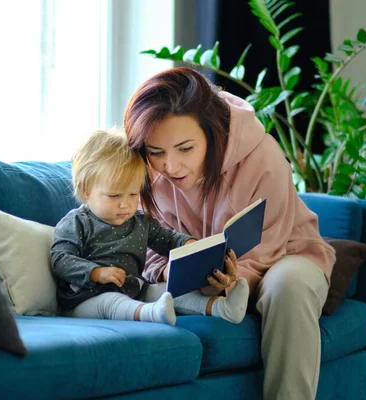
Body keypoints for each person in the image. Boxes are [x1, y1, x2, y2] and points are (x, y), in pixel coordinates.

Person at [124, 67, 336, 399]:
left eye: (185, 149)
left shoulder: (264, 156)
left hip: (286, 254)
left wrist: (231, 281)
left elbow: (268, 246)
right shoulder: (146, 173)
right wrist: (169, 271)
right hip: (212, 278)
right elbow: (147, 248)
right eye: (156, 152)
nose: (171, 167)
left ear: (211, 133)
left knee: (288, 286)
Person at [50, 127, 249, 326]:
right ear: (85, 191)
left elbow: (168, 238)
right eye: (114, 196)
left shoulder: (140, 221)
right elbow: (60, 259)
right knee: (111, 302)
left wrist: (189, 244)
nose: (125, 204)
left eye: (132, 194)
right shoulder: (77, 222)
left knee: (169, 292)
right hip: (86, 301)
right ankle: (152, 314)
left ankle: (223, 308)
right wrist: (96, 272)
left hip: (135, 290)